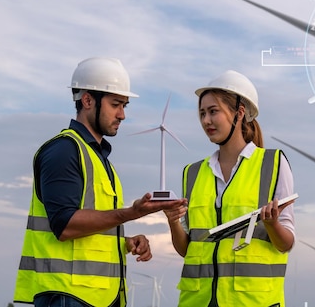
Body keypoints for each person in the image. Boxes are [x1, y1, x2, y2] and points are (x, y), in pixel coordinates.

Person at [14, 57, 187, 307]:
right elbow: (65, 226)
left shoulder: (99, 159)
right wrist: (131, 213)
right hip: (70, 295)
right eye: (116, 104)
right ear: (87, 100)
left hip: (97, 297)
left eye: (124, 105)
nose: (123, 115)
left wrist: (124, 243)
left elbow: (91, 233)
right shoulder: (64, 151)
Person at [164, 69, 296, 307]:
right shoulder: (192, 173)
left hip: (252, 301)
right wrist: (173, 221)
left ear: (239, 112)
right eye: (202, 113)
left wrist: (272, 224)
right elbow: (187, 250)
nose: (206, 121)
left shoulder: (272, 164)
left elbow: (286, 243)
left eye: (213, 112)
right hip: (197, 301)